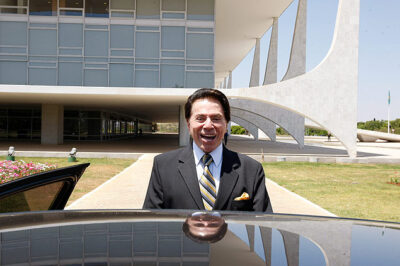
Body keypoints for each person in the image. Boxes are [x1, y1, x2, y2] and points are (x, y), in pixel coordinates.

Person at [143, 88, 272, 212]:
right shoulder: (163, 166)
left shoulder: (251, 170)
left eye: (216, 118)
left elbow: (264, 227)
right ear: (188, 124)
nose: (208, 125)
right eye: (200, 118)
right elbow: (150, 223)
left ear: (226, 124)